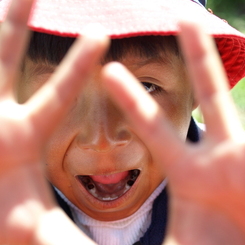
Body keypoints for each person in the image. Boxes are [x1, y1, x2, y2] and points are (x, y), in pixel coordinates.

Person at [1, 0, 245, 244]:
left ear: (195, 87)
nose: (102, 139)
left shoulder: (234, 192)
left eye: (144, 87)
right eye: (62, 91)